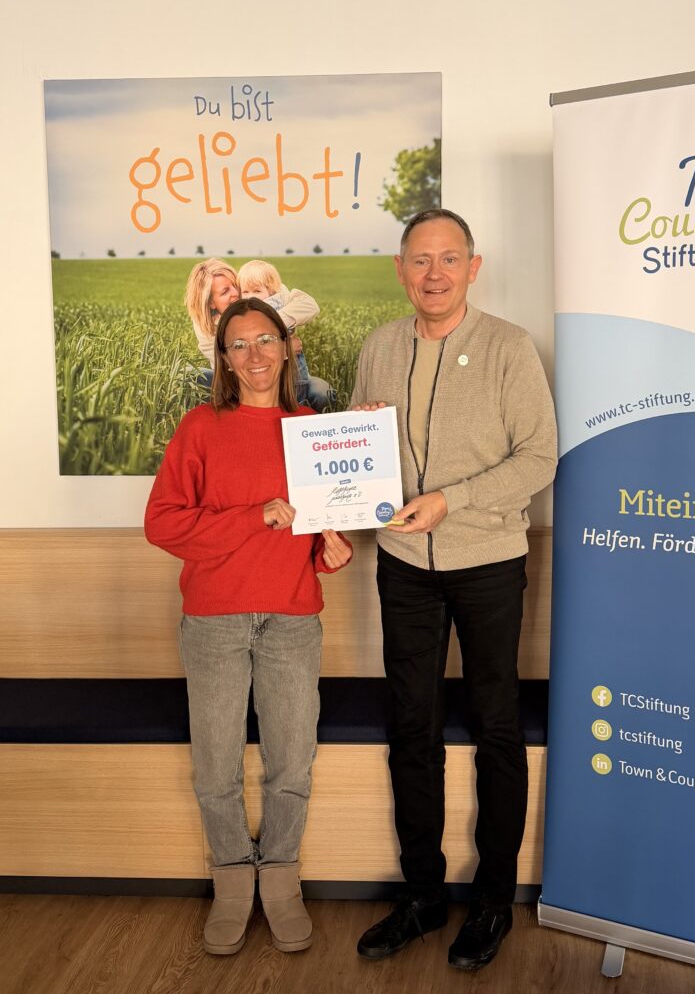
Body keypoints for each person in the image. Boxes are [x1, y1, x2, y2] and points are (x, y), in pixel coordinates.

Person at [350, 209, 557, 970]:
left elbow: (539, 456)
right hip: (403, 563)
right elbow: (360, 454)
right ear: (400, 269)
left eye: (448, 259)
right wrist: (358, 445)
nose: (432, 274)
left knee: (496, 726)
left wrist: (452, 500)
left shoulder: (508, 347)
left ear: (473, 267)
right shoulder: (379, 347)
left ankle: (493, 900)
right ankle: (423, 896)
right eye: (419, 260)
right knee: (413, 727)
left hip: (488, 562)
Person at [144, 297, 352, 956]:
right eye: (239, 344)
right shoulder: (200, 427)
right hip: (214, 620)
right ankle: (232, 883)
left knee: (291, 761)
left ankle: (282, 881)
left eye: (265, 340)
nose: (255, 354)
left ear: (287, 348)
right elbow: (162, 523)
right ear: (225, 359)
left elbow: (318, 532)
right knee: (216, 767)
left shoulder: (312, 430)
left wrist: (331, 551)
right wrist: (252, 516)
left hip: (292, 618)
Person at [184, 258, 335, 410]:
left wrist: (270, 321)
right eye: (225, 292)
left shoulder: (261, 291)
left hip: (286, 376)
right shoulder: (205, 324)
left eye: (235, 285)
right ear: (211, 303)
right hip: (236, 380)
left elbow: (309, 305)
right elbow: (224, 362)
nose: (236, 293)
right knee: (187, 375)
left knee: (323, 393)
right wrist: (283, 348)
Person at [237, 259, 336, 411]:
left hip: (292, 369)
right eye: (246, 292)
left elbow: (311, 306)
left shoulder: (280, 302)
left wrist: (273, 321)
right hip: (265, 372)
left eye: (257, 291)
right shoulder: (242, 309)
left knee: (297, 397)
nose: (251, 297)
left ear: (271, 291)